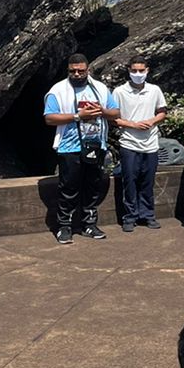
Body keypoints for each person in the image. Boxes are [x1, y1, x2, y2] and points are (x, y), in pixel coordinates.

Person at [42, 52, 119, 244]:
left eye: (81, 71)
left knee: (93, 186)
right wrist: (78, 116)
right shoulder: (58, 90)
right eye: (73, 71)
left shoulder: (100, 88)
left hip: (95, 144)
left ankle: (89, 224)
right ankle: (64, 227)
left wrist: (101, 111)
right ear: (68, 70)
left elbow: (115, 112)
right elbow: (49, 118)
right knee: (69, 188)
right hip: (70, 146)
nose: (77, 74)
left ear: (88, 70)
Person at [112, 55, 167, 233]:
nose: (138, 74)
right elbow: (114, 118)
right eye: (134, 70)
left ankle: (148, 215)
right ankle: (130, 217)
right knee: (130, 181)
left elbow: (162, 112)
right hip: (129, 142)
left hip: (150, 143)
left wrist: (151, 121)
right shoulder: (120, 92)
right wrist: (133, 124)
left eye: (141, 71)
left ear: (147, 71)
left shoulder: (154, 90)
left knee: (147, 181)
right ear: (129, 71)